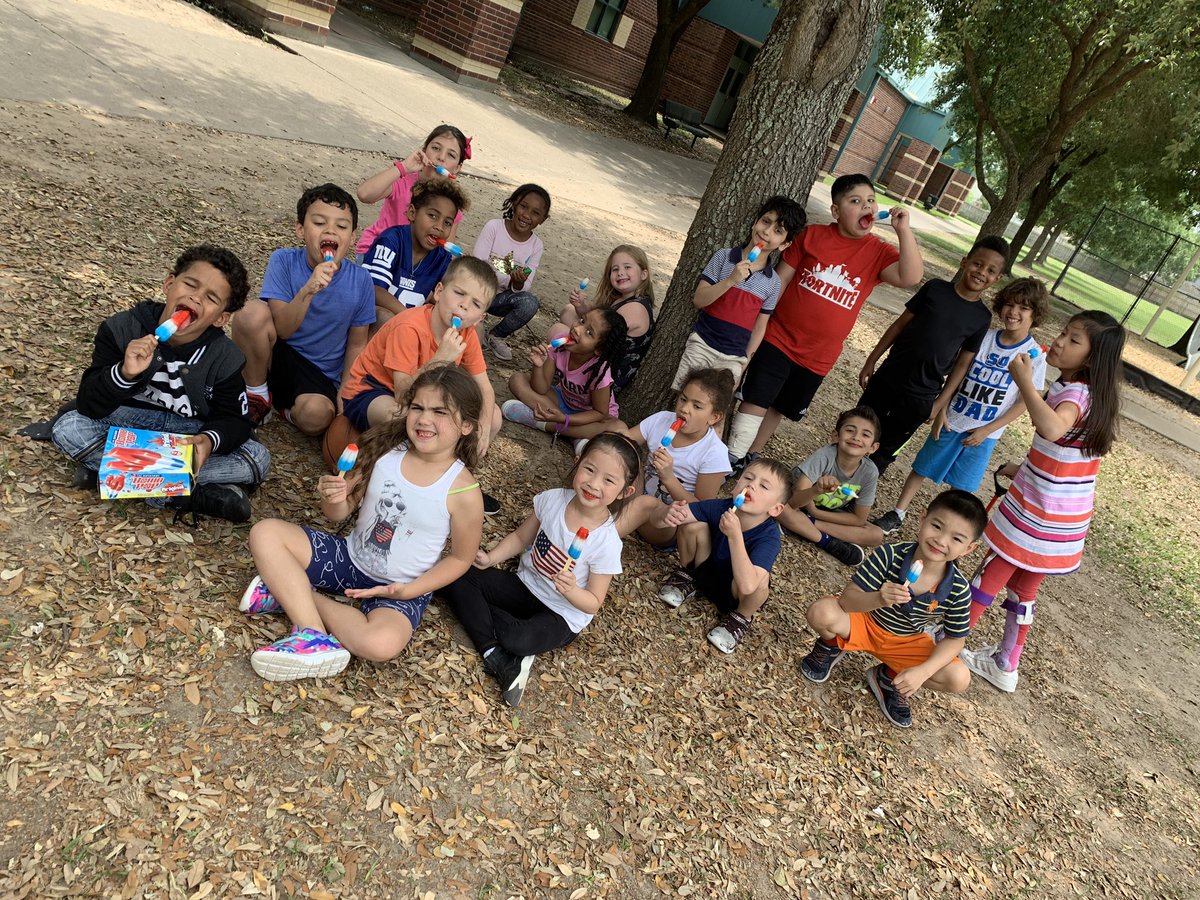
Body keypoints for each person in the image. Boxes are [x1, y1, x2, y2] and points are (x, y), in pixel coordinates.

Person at [239, 365, 485, 682]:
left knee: (380, 644)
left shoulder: (464, 492)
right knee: (266, 533)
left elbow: (461, 558)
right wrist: (333, 497)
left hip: (398, 587)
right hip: (348, 559)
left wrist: (410, 590)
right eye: (417, 408)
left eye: (440, 412)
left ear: (466, 425)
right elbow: (339, 513)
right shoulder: (384, 451)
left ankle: (288, 593)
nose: (424, 419)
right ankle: (312, 633)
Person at [961, 311, 1124, 693]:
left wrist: (1024, 380)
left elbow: (1052, 428)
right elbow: (1066, 454)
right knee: (1024, 589)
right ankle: (1006, 663)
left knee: (989, 573)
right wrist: (1024, 468)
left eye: (1074, 340)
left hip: (1036, 514)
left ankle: (945, 639)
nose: (1061, 341)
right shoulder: (1094, 396)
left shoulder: (1075, 393)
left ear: (1092, 359)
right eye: (1064, 332)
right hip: (1064, 518)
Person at [51, 245, 270, 523]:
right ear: (169, 284)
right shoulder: (121, 329)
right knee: (69, 428)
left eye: (211, 298)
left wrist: (207, 441)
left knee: (257, 458)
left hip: (187, 433)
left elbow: (235, 420)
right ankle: (179, 493)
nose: (196, 297)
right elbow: (89, 403)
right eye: (190, 284)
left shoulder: (225, 358)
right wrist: (123, 373)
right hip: (127, 426)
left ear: (220, 318)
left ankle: (112, 476)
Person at [724, 174, 923, 473]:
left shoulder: (878, 252)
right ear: (836, 211)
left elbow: (911, 277)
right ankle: (731, 454)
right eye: (855, 201)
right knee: (757, 398)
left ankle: (751, 454)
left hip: (819, 355)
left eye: (870, 200)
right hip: (779, 337)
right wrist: (758, 321)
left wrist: (903, 231)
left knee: (780, 405)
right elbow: (780, 281)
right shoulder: (812, 236)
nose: (866, 206)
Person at [439, 433, 639, 706]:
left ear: (625, 492)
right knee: (458, 575)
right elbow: (521, 537)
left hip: (561, 613)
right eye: (590, 469)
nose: (594, 484)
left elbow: (593, 602)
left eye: (608, 480)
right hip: (526, 585)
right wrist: (491, 558)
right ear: (577, 462)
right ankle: (495, 654)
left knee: (516, 638)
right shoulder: (553, 500)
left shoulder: (606, 542)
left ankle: (488, 632)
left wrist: (571, 590)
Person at [872, 278, 1050, 535]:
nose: (1014, 312)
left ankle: (947, 531)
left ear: (1036, 314)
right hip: (953, 419)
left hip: (984, 433)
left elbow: (1023, 403)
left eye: (1023, 308)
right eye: (1010, 305)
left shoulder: (1035, 356)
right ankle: (897, 513)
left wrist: (987, 430)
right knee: (921, 468)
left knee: (962, 486)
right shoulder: (985, 337)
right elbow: (958, 372)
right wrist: (942, 409)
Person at [799, 489, 988, 729]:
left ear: (969, 548)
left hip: (906, 642)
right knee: (821, 612)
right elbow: (846, 601)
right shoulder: (889, 554)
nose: (941, 541)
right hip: (865, 622)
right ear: (923, 519)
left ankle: (888, 678)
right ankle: (832, 644)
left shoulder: (958, 589)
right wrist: (878, 598)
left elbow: (955, 639)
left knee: (958, 678)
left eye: (956, 539)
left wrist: (923, 671)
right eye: (937, 526)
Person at [340, 257, 504, 514]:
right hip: (373, 391)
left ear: (479, 318)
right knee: (406, 416)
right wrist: (440, 358)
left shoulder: (467, 334)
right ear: (439, 292)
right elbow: (403, 393)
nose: (464, 305)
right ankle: (392, 481)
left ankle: (449, 482)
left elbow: (485, 388)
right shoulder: (410, 326)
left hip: (426, 399)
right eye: (459, 293)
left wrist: (482, 429)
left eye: (475, 304)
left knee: (492, 415)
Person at [857, 236, 1010, 475]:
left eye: (991, 270)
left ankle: (858, 492)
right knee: (859, 431)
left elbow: (963, 364)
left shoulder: (982, 317)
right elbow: (899, 325)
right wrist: (871, 360)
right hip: (888, 378)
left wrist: (939, 403)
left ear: (997, 279)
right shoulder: (935, 289)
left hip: (921, 396)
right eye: (978, 264)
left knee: (886, 449)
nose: (982, 272)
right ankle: (830, 483)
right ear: (964, 262)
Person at [235, 184, 375, 432]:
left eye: (342, 226)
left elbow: (357, 344)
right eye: (319, 223)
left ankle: (282, 408)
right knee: (250, 313)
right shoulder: (283, 261)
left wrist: (346, 392)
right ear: (300, 229)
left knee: (316, 417)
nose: (330, 230)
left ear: (353, 237)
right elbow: (283, 329)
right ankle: (257, 394)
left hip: (318, 374)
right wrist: (308, 289)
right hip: (276, 356)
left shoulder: (361, 280)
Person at [657, 458, 792, 654]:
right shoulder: (720, 507)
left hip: (735, 593)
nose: (751, 485)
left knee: (760, 583)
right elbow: (677, 516)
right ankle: (688, 576)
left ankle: (740, 619)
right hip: (705, 570)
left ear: (776, 509)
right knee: (692, 525)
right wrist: (666, 514)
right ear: (735, 485)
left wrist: (735, 535)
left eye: (763, 486)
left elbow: (747, 586)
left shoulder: (769, 537)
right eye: (748, 478)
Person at [670, 196, 806, 390]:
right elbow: (699, 300)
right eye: (765, 221)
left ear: (784, 244)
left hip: (734, 358)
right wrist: (731, 280)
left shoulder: (773, 282)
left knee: (717, 408)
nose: (766, 231)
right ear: (755, 222)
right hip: (702, 345)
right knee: (686, 398)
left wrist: (743, 364)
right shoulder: (723, 257)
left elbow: (760, 327)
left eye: (778, 231)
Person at [609, 367, 735, 545]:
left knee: (646, 503)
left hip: (666, 524)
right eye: (683, 399)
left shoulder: (714, 453)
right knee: (623, 451)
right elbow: (625, 443)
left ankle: (598, 541)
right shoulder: (662, 420)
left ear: (714, 417)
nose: (684, 409)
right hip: (635, 497)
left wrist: (668, 478)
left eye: (697, 406)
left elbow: (702, 511)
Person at [778, 406, 882, 567]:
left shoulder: (870, 472)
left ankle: (803, 527)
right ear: (836, 436)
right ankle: (828, 542)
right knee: (779, 508)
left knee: (876, 534)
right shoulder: (824, 455)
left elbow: (859, 518)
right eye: (850, 430)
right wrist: (815, 490)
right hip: (799, 506)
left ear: (873, 447)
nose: (856, 437)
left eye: (865, 435)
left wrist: (815, 514)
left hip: (821, 513)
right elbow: (793, 502)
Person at [501, 308, 627, 439]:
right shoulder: (559, 345)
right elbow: (541, 389)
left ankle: (546, 424)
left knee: (618, 428)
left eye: (589, 333)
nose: (577, 329)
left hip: (590, 417)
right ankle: (575, 435)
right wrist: (538, 366)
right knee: (518, 380)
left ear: (599, 350)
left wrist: (565, 419)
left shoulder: (599, 370)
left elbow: (600, 413)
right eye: (582, 321)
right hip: (563, 401)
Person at [362, 179, 469, 327]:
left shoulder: (442, 258)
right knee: (385, 317)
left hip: (408, 327)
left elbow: (443, 300)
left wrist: (464, 274)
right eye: (432, 216)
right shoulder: (391, 240)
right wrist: (411, 320)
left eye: (447, 223)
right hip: (371, 323)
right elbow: (375, 289)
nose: (439, 227)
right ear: (412, 213)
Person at [355, 123, 469, 256]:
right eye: (435, 148)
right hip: (376, 252)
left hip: (411, 263)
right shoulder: (403, 179)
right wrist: (403, 167)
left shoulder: (452, 204)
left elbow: (444, 251)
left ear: (457, 168)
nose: (441, 157)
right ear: (424, 151)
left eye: (451, 155)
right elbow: (364, 194)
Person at [556, 244, 655, 394]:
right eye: (615, 269)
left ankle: (564, 373)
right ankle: (564, 367)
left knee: (558, 331)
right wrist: (580, 305)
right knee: (569, 310)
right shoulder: (620, 298)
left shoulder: (634, 308)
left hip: (605, 376)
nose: (620, 273)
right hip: (600, 349)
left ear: (643, 274)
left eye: (627, 267)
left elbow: (600, 339)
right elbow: (592, 323)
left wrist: (576, 333)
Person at [472, 184, 551, 361]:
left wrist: (518, 283)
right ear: (514, 203)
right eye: (523, 206)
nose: (526, 215)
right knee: (474, 338)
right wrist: (509, 277)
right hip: (477, 291)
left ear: (543, 219)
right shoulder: (494, 227)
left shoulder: (536, 246)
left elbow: (526, 285)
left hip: (501, 299)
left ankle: (496, 335)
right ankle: (476, 321)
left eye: (535, 213)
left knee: (530, 303)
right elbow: (477, 266)